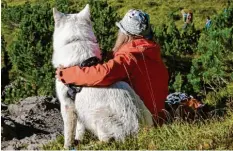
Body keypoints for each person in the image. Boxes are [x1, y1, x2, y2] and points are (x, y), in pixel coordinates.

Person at [56, 9, 169, 124]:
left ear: (126, 35)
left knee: (104, 87)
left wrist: (66, 74)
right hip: (158, 116)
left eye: (120, 30)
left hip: (140, 119)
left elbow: (103, 74)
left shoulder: (129, 57)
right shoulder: (151, 53)